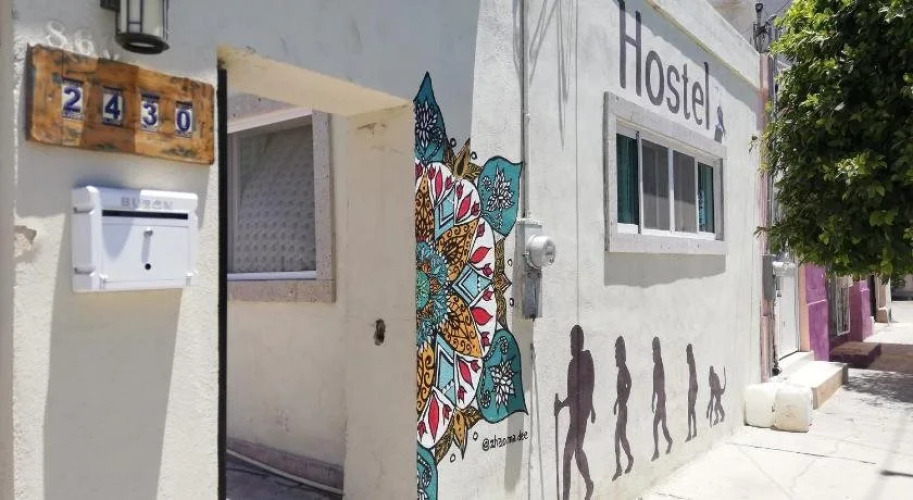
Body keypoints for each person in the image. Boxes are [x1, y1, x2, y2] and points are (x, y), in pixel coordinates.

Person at [554, 325, 595, 499]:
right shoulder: (573, 364)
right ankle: (583, 486)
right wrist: (563, 405)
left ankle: (573, 492)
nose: (571, 345)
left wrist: (561, 405)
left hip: (581, 417)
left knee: (571, 453)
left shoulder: (584, 361)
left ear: (580, 341)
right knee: (572, 454)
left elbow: (582, 390)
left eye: (574, 341)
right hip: (575, 417)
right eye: (571, 341)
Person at [612, 336, 633, 480]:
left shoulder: (624, 370)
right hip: (621, 408)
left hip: (623, 411)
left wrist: (623, 403)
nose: (615, 357)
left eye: (616, 354)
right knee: (619, 437)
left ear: (621, 355)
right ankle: (621, 464)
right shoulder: (621, 371)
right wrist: (616, 403)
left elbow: (629, 385)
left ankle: (627, 461)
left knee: (619, 437)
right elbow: (621, 391)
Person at [651, 337, 673, 460]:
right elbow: (654, 386)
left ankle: (666, 443)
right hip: (659, 400)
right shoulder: (656, 367)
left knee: (661, 426)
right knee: (658, 425)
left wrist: (659, 401)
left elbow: (660, 385)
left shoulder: (660, 365)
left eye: (655, 351)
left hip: (662, 401)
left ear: (658, 352)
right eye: (653, 351)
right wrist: (652, 399)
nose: (653, 354)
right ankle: (659, 448)